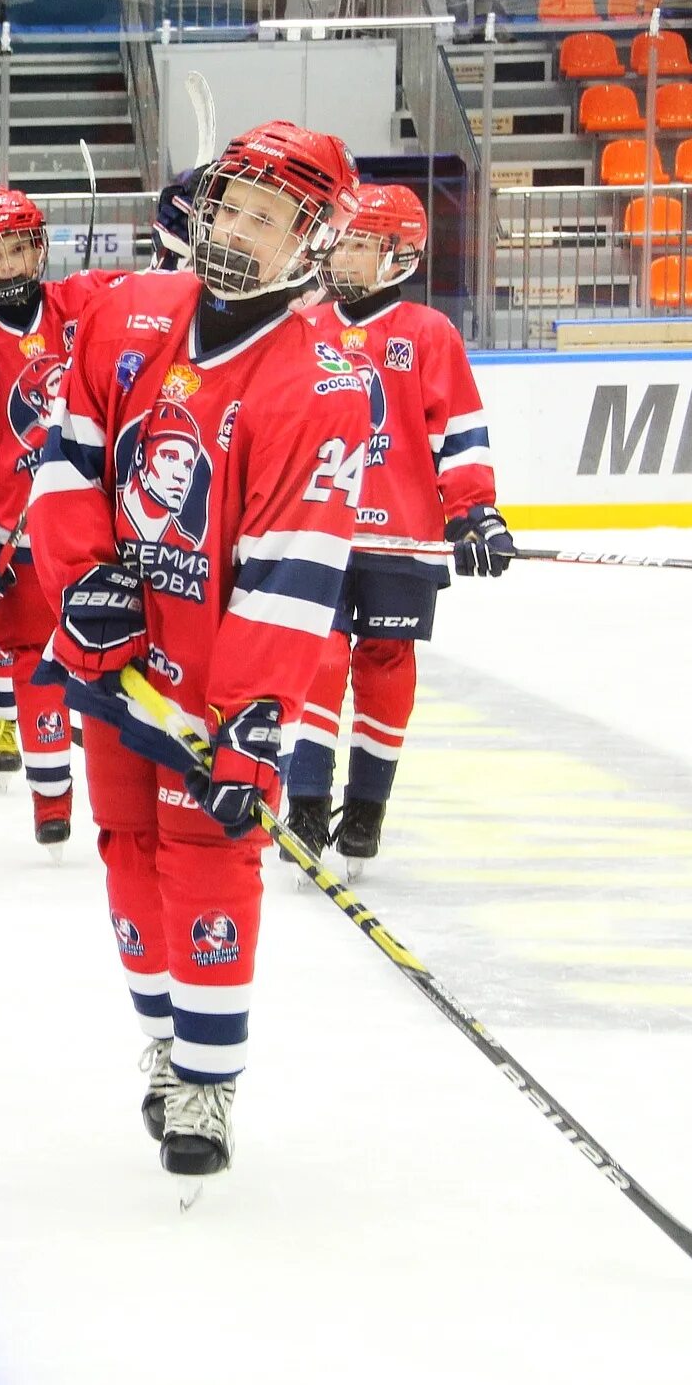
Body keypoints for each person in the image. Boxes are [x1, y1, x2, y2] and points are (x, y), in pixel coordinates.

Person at [25, 120, 373, 1183]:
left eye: (267, 220)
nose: (234, 230)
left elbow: (292, 570)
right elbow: (67, 456)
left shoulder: (321, 379)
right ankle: (168, 1046)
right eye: (229, 205)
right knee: (127, 851)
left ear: (312, 244)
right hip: (115, 655)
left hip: (213, 685)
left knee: (209, 862)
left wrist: (252, 715)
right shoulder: (126, 312)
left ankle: (208, 1084)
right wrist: (81, 583)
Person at [286, 183, 508, 872]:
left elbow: (461, 434)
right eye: (340, 240)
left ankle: (367, 808)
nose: (340, 254)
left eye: (357, 242)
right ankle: (305, 803)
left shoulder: (427, 334)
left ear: (398, 255)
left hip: (402, 538)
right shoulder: (304, 327)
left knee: (386, 668)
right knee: (316, 662)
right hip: (315, 534)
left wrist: (476, 514)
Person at [0, 184, 121, 846]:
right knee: (35, 666)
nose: (8, 267)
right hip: (17, 538)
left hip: (93, 526)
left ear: (40, 248)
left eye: (18, 249)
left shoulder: (85, 305)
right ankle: (50, 799)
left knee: (106, 659)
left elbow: (159, 301)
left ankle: (117, 794)